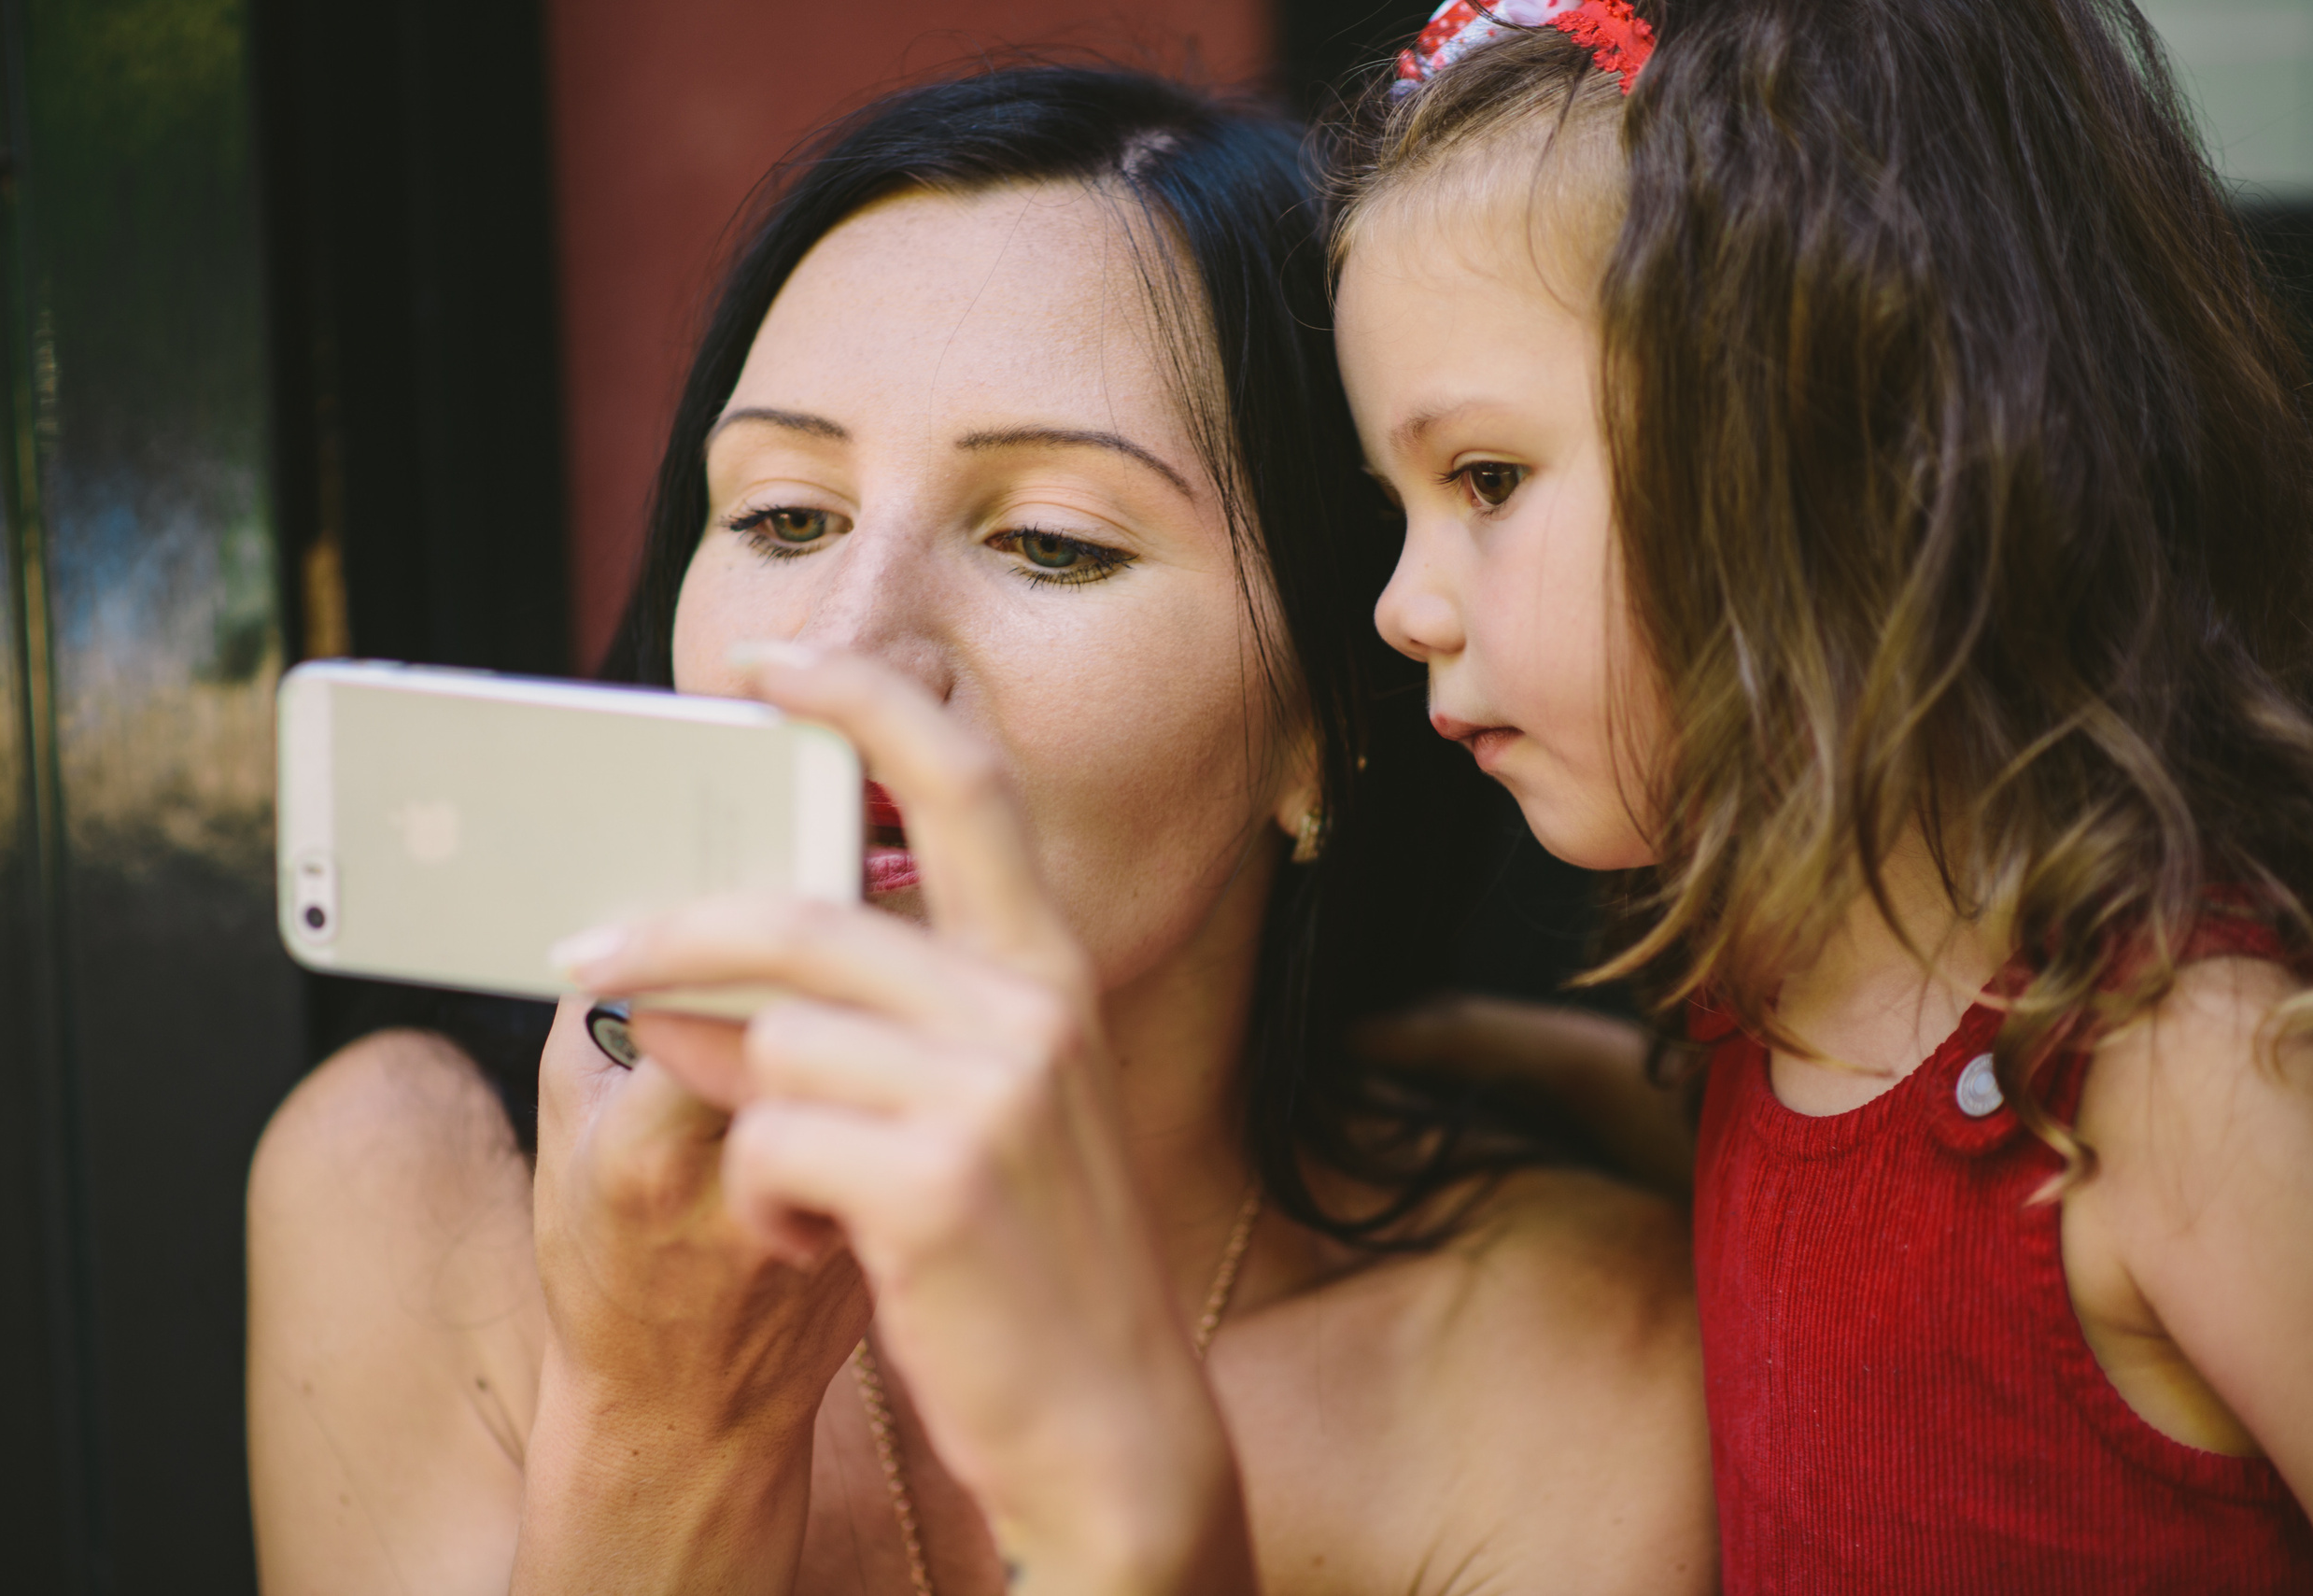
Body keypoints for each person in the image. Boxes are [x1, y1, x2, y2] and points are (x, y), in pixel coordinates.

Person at [247, 64, 1714, 1593]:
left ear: (1329, 725)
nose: (845, 650)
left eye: (1051, 543)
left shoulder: (1560, 1373)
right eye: (784, 518)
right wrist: (660, 1423)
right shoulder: (412, 1196)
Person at [1331, 0, 2313, 1589]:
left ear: (1825, 440)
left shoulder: (2171, 1067)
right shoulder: (1777, 984)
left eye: (1486, 483)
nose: (1402, 605)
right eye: (1401, 506)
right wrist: (1443, 1061)